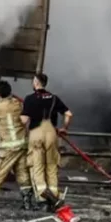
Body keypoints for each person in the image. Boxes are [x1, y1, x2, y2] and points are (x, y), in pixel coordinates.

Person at [19, 73, 73, 211]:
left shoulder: (29, 99)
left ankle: (43, 200)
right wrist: (64, 128)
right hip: (51, 133)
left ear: (36, 82)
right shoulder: (54, 98)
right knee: (51, 166)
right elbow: (68, 114)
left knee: (37, 167)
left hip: (36, 133)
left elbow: (24, 120)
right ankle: (54, 197)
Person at [0, 80, 34, 209]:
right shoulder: (17, 104)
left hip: (9, 147)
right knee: (22, 172)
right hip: (22, 145)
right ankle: (27, 202)